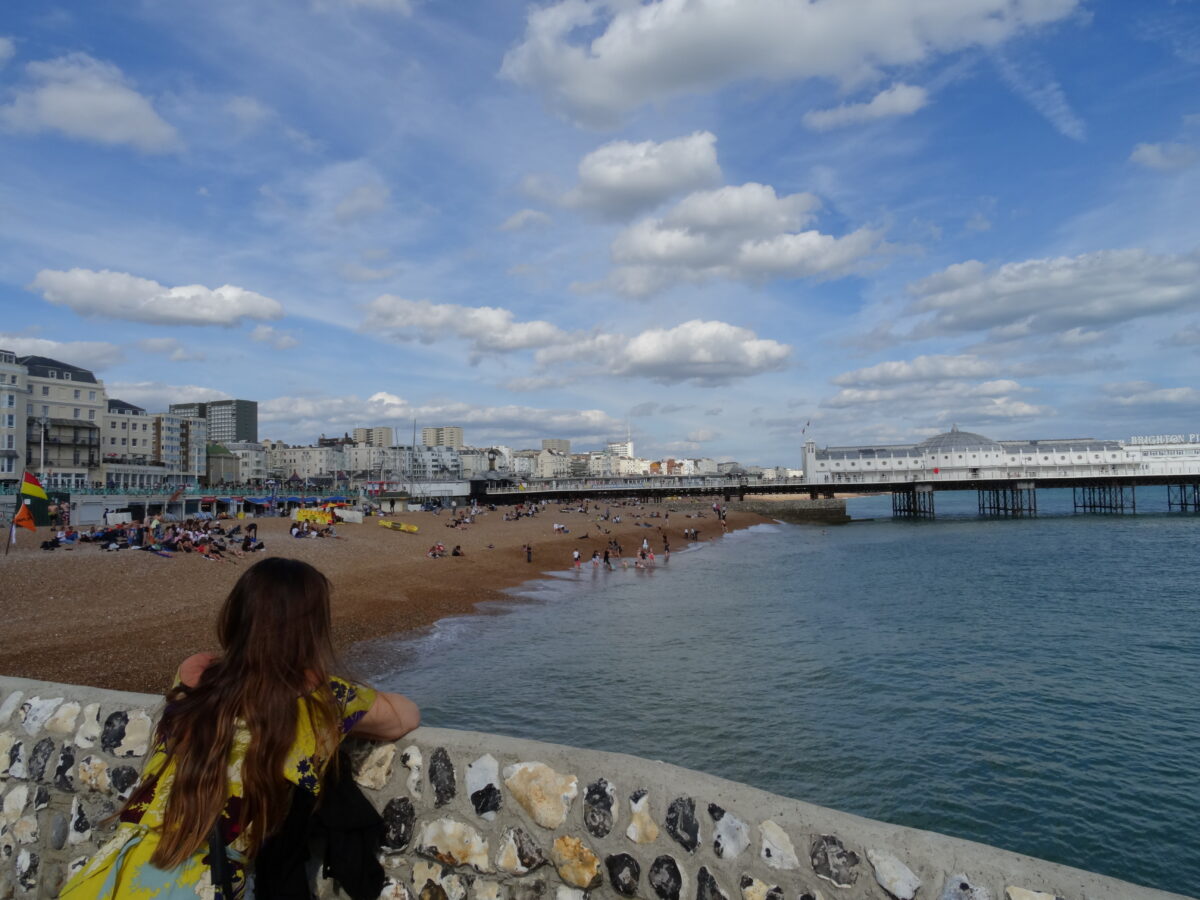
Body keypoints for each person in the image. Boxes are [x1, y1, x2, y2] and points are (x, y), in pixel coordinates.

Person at [60, 558, 420, 900]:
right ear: (312, 630)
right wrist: (316, 680)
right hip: (202, 882)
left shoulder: (195, 673)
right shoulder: (321, 698)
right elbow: (405, 715)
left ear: (237, 615)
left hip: (115, 871)